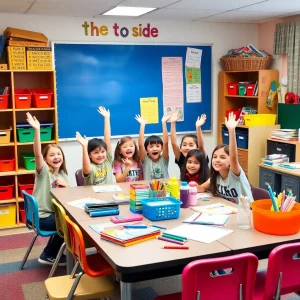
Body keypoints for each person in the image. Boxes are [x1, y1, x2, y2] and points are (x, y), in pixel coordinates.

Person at [26, 112, 68, 266]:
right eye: (52, 155)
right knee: (70, 223)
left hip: (48, 215)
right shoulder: (43, 172)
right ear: (45, 159)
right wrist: (37, 130)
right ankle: (49, 254)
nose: (56, 157)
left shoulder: (62, 174)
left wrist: (67, 186)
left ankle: (51, 252)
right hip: (41, 218)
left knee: (68, 219)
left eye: (59, 154)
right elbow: (37, 153)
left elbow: (66, 198)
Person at [198, 112, 253, 203]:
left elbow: (233, 157)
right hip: (230, 211)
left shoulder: (235, 173)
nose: (217, 160)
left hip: (246, 212)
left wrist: (231, 130)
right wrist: (188, 188)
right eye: (214, 157)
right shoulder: (215, 176)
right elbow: (202, 187)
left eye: (222, 157)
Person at [76, 106, 113, 185]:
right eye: (96, 152)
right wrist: (84, 147)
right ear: (89, 155)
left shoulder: (108, 161)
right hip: (93, 197)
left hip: (110, 195)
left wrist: (107, 118)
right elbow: (86, 167)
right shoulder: (90, 167)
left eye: (103, 151)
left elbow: (108, 139)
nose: (100, 155)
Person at [135, 114, 170, 180]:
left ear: (162, 149)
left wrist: (163, 123)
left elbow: (165, 143)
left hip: (165, 189)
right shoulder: (145, 160)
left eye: (157, 146)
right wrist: (142, 125)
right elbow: (140, 145)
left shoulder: (164, 159)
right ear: (146, 150)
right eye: (151, 146)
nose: (154, 149)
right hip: (149, 189)